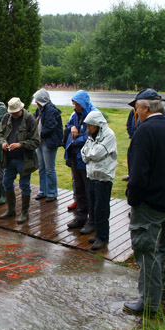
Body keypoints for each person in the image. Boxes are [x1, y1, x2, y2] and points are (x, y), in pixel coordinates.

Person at [123, 89, 165, 316]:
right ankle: (164, 293)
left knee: (146, 251)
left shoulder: (144, 132)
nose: (135, 113)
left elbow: (138, 173)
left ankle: (149, 302)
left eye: (136, 109)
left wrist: (133, 199)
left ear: (145, 108)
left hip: (149, 204)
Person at [0, 97, 40, 224]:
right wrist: (3, 143)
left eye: (15, 112)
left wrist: (21, 144)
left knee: (24, 185)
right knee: (6, 182)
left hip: (24, 160)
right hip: (9, 158)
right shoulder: (6, 117)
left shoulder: (30, 120)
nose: (13, 114)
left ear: (21, 109)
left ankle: (24, 213)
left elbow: (36, 141)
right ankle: (11, 210)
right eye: (11, 112)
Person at [81, 110, 117, 250]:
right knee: (93, 207)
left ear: (98, 124)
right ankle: (97, 233)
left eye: (91, 125)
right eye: (88, 125)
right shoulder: (91, 136)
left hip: (103, 178)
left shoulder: (109, 135)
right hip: (91, 175)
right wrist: (89, 154)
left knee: (101, 208)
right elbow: (84, 153)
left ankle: (103, 237)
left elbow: (97, 153)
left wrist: (89, 154)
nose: (89, 128)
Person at [64, 90, 98, 232]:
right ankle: (80, 217)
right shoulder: (75, 114)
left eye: (77, 104)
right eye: (74, 104)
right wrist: (71, 127)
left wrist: (75, 142)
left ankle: (92, 221)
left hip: (87, 159)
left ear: (83, 103)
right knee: (79, 189)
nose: (75, 106)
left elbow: (92, 136)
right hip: (75, 157)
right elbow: (68, 127)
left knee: (89, 190)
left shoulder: (94, 115)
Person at [33, 88, 63, 203]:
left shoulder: (50, 109)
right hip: (40, 143)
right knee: (41, 168)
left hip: (48, 143)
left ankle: (52, 193)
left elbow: (50, 127)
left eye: (37, 100)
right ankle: (42, 191)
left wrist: (38, 134)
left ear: (41, 100)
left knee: (50, 169)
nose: (36, 102)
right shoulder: (40, 109)